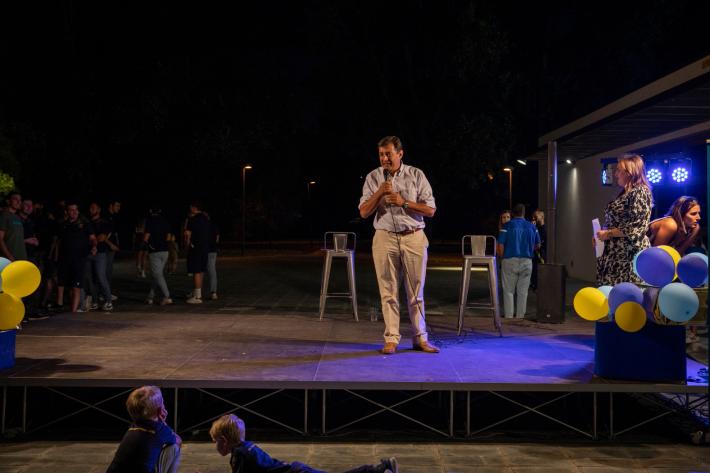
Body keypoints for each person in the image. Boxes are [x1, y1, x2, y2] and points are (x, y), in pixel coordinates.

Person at [358, 136, 438, 354]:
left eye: (388, 154)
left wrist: (405, 203)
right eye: (381, 154)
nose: (384, 158)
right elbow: (363, 212)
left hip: (413, 236)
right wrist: (380, 193)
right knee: (388, 291)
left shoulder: (416, 175)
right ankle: (391, 338)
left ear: (400, 154)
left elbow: (431, 210)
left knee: (416, 291)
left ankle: (420, 337)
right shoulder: (374, 177)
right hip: (385, 237)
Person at [203, 414, 397, 473]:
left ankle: (379, 469)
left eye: (215, 441)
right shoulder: (246, 447)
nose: (215, 446)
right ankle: (379, 468)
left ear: (224, 441)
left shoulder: (239, 455)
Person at [595, 154, 653, 286]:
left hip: (628, 254)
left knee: (625, 293)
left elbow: (635, 228)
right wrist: (600, 237)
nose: (616, 174)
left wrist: (608, 234)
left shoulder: (640, 192)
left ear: (630, 172)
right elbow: (615, 222)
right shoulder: (625, 193)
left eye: (619, 170)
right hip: (616, 254)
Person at [106, 386, 181, 473]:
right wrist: (163, 422)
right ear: (160, 410)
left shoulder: (133, 427)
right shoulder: (159, 430)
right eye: (162, 403)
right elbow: (178, 440)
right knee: (174, 447)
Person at [497, 204, 540, 319]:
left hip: (509, 260)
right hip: (527, 261)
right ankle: (520, 317)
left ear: (513, 214)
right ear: (523, 213)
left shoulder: (507, 226)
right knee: (523, 292)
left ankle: (509, 316)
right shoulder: (532, 227)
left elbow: (500, 244)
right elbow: (538, 245)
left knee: (508, 291)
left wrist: (503, 257)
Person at [143, 205, 173, 305]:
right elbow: (169, 236)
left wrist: (144, 245)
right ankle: (150, 296)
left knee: (157, 275)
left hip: (154, 251)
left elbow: (146, 236)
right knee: (157, 274)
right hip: (165, 251)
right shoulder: (165, 221)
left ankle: (167, 296)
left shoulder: (150, 221)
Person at [184, 201, 211, 304]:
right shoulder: (206, 218)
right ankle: (197, 292)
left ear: (194, 208)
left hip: (195, 247)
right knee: (201, 270)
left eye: (191, 207)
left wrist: (187, 245)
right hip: (205, 247)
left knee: (196, 271)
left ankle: (197, 297)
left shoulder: (193, 219)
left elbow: (187, 234)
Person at [0, 191, 28, 262]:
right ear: (8, 201)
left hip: (21, 257)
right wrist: (9, 256)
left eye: (20, 200)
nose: (19, 202)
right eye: (15, 199)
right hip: (9, 259)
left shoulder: (17, 217)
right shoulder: (4, 215)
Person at [529, 209, 546, 291]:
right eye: (533, 217)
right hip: (533, 257)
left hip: (542, 257)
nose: (534, 218)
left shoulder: (545, 229)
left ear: (542, 216)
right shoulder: (535, 228)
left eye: (536, 216)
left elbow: (539, 244)